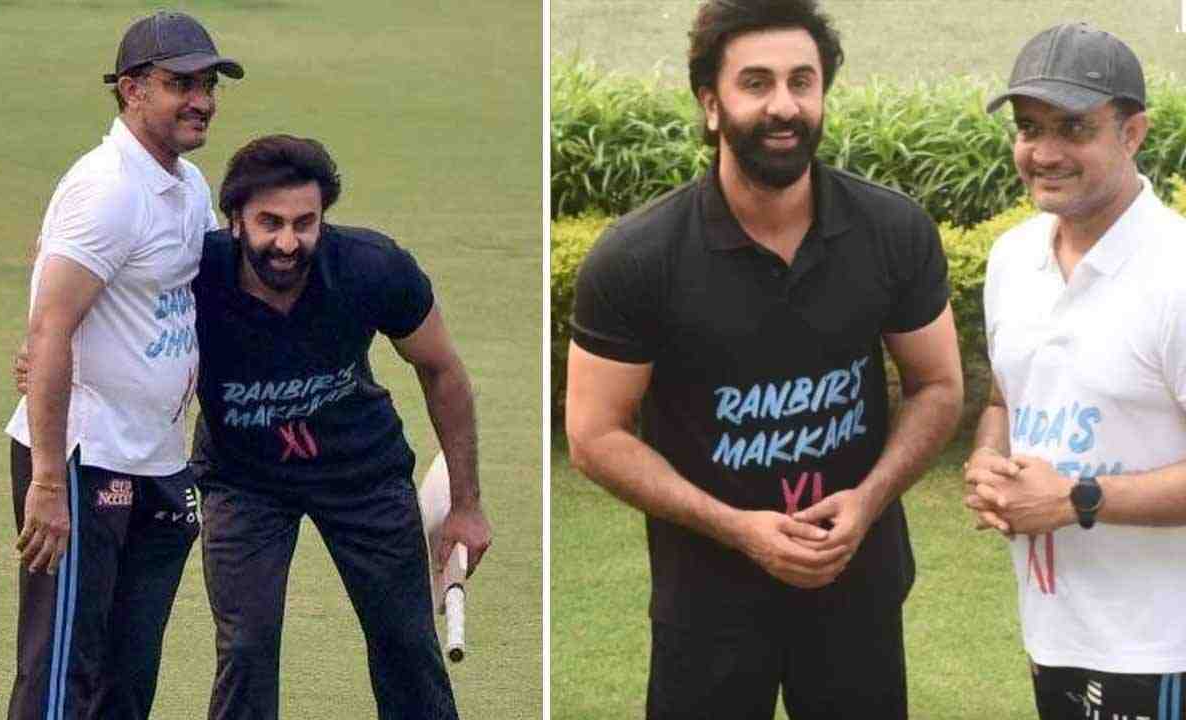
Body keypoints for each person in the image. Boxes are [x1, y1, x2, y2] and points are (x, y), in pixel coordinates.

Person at [564, 1, 963, 717]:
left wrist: (868, 502)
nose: (784, 105)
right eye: (756, 83)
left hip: (857, 587)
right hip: (705, 601)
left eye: (802, 82)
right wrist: (738, 528)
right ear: (711, 104)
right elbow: (595, 435)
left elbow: (936, 385)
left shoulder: (893, 232)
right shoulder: (636, 259)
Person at [186, 134, 491, 719]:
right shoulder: (195, 277)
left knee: (406, 643)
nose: (286, 241)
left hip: (362, 474)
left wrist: (467, 505)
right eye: (268, 222)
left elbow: (442, 369)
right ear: (234, 221)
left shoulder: (371, 267)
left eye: (305, 223)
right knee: (245, 648)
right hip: (243, 479)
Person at [3, 10, 242, 720]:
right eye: (180, 84)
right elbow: (51, 327)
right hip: (84, 459)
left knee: (128, 675)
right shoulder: (108, 188)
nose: (201, 99)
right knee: (61, 672)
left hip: (159, 462)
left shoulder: (189, 186)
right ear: (132, 90)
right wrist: (48, 483)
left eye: (208, 83)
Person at [965, 22, 1186, 719]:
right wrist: (984, 459)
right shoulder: (1011, 260)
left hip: (1163, 644)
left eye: (1073, 127)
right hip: (1055, 630)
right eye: (1030, 128)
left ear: (1133, 133)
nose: (1044, 152)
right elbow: (1007, 396)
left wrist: (1076, 501)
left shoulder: (1177, 274)